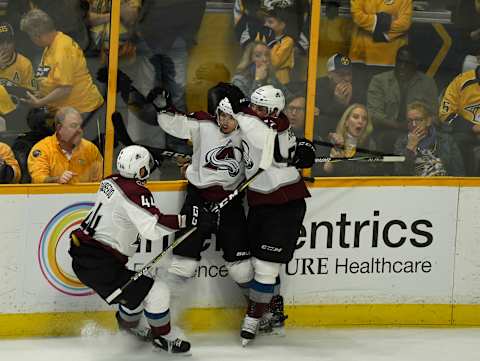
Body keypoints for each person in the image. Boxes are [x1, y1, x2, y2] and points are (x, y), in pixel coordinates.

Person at [69, 144, 214, 354]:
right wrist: (190, 220)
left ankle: (128, 333)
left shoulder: (110, 181)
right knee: (157, 292)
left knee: (135, 294)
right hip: (99, 263)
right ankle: (163, 338)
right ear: (141, 169)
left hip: (87, 254)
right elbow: (154, 228)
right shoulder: (135, 192)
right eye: (147, 167)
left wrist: (150, 159)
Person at [134, 85, 253, 310]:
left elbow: (272, 146)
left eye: (231, 116)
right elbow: (175, 124)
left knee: (241, 268)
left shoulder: (250, 131)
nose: (225, 121)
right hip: (198, 199)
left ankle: (259, 311)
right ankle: (161, 312)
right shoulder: (203, 124)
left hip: (232, 202)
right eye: (222, 115)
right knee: (183, 265)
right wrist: (163, 108)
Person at [225, 84, 313, 345]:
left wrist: (239, 108)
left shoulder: (269, 127)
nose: (254, 110)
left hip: (285, 203)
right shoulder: (262, 122)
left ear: (273, 111)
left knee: (265, 267)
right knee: (255, 264)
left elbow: (255, 130)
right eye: (253, 105)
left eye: (260, 108)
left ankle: (252, 319)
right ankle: (272, 309)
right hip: (261, 202)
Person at [19, 9, 104, 117]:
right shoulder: (50, 45)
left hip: (83, 111)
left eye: (30, 36)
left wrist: (40, 102)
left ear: (37, 36)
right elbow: (50, 79)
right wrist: (40, 94)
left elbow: (65, 89)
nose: (31, 40)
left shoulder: (62, 49)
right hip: (65, 112)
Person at [367, 45, 438, 154]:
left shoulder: (427, 83)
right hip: (387, 130)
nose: (402, 66)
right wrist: (399, 126)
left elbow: (434, 113)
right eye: (399, 62)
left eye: (407, 63)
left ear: (416, 64)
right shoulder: (379, 81)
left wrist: (421, 127)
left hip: (419, 130)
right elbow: (373, 114)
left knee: (438, 139)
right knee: (390, 138)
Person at [27, 106, 103, 184]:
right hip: (51, 195)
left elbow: (100, 181)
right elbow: (38, 179)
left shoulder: (90, 149)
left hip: (86, 195)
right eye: (73, 126)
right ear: (59, 128)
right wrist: (57, 180)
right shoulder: (43, 148)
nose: (79, 130)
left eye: (80, 126)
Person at [394, 101, 465, 176]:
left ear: (428, 121)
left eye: (418, 120)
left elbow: (458, 171)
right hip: (415, 186)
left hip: (444, 184)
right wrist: (410, 148)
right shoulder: (401, 142)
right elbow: (400, 172)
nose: (414, 124)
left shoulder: (446, 140)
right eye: (410, 121)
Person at [438, 65, 480, 175]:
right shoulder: (461, 81)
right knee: (455, 141)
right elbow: (445, 115)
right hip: (467, 132)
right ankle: (461, 184)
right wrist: (471, 127)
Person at [321, 103, 380, 177]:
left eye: (364, 119)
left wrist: (341, 161)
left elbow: (366, 172)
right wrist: (332, 161)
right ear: (346, 122)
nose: (360, 121)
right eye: (355, 117)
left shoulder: (370, 144)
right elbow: (323, 171)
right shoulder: (333, 140)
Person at [315, 53, 363, 140]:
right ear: (330, 74)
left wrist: (347, 106)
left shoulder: (357, 89)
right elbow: (320, 122)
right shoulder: (317, 86)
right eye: (342, 74)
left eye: (349, 74)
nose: (347, 78)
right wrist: (337, 104)